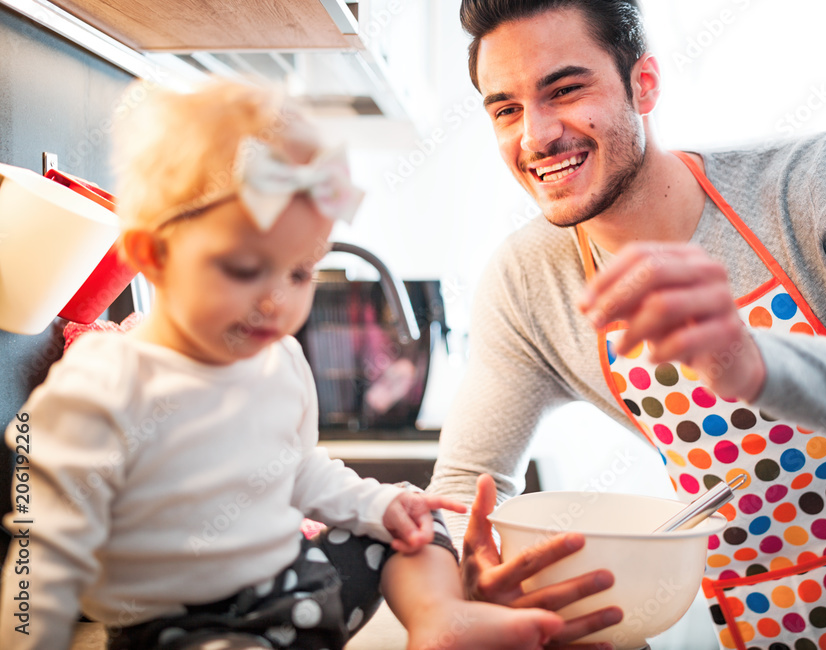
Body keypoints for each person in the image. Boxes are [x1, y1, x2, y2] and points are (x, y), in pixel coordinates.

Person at [427, 0, 826, 647]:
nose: (535, 136)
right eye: (506, 109)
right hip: (785, 619)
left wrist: (751, 361)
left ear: (644, 83)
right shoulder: (529, 282)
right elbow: (459, 492)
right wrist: (468, 589)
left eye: (565, 90)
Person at [0, 79, 566, 650]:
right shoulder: (102, 383)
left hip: (293, 588)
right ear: (153, 254)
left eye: (299, 273)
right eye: (246, 269)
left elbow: (298, 471)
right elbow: (44, 555)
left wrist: (380, 505)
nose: (276, 301)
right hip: (177, 626)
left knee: (414, 526)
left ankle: (440, 619)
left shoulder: (279, 361)